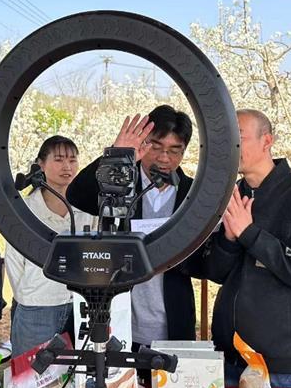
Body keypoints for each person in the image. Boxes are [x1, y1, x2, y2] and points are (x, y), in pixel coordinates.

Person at [201, 109, 291, 388]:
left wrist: (249, 234)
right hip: (229, 357)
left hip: (282, 365)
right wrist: (228, 240)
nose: (230, 147)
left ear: (267, 141)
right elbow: (216, 272)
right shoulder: (230, 195)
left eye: (239, 138)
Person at [67, 105, 199, 348]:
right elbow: (76, 195)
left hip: (173, 319)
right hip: (119, 320)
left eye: (174, 150)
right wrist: (117, 157)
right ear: (143, 143)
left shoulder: (193, 194)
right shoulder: (119, 181)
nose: (164, 158)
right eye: (155, 146)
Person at [6, 136, 96, 356]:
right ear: (41, 164)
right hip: (37, 307)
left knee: (74, 373)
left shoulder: (89, 208)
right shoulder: (25, 208)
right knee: (31, 372)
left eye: (72, 160)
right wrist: (29, 293)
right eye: (58, 159)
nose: (67, 167)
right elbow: (14, 262)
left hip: (79, 305)